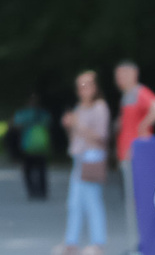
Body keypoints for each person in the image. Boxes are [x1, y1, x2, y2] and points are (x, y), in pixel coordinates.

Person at [58, 71, 110, 255]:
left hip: (93, 157)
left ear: (95, 88)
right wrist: (69, 126)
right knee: (74, 202)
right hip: (79, 158)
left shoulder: (100, 107)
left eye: (87, 85)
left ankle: (98, 243)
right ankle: (71, 243)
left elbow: (101, 137)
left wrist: (78, 125)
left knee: (92, 202)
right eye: (80, 86)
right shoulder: (79, 108)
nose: (83, 89)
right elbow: (75, 138)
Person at [113, 61, 155, 177]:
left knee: (136, 192)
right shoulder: (126, 96)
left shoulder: (139, 92)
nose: (119, 78)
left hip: (136, 153)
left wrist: (143, 125)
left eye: (123, 74)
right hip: (127, 153)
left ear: (134, 74)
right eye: (118, 75)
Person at [11, 93, 51, 201]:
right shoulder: (43, 114)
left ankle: (33, 191)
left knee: (28, 170)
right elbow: (48, 125)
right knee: (41, 170)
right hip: (41, 146)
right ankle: (41, 191)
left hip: (28, 145)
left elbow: (16, 126)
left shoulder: (23, 114)